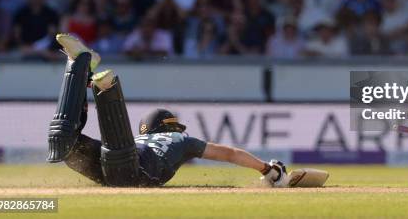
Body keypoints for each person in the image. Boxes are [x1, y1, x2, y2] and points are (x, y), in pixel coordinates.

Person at [47, 33, 289, 187]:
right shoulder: (182, 139)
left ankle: (78, 64)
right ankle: (107, 88)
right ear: (169, 124)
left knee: (63, 141)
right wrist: (268, 169)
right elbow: (231, 154)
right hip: (129, 171)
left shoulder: (139, 139)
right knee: (118, 163)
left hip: (112, 162)